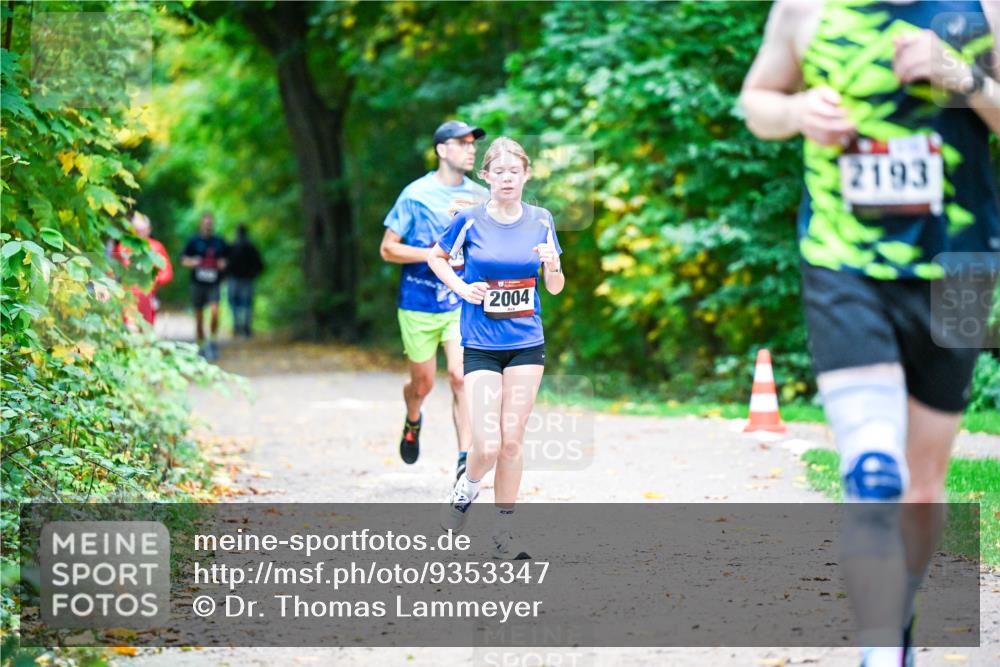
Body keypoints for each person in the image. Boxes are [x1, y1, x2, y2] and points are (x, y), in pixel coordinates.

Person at [741, 2, 998, 665]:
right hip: (843, 256)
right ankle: (880, 646)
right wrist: (797, 113)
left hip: (964, 263)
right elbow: (758, 101)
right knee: (874, 466)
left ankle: (898, 617)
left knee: (922, 481)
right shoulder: (804, 8)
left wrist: (963, 79)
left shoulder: (981, 7)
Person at [429, 137, 565, 560]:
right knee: (485, 445)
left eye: (515, 172)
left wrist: (553, 264)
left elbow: (556, 287)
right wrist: (461, 287)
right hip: (482, 345)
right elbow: (437, 257)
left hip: (527, 343)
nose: (507, 179)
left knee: (511, 443)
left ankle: (504, 535)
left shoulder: (542, 220)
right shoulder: (469, 219)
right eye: (499, 172)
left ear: (526, 175)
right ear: (486, 177)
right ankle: (464, 492)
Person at [379, 121, 489, 475]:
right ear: (442, 149)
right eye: (462, 143)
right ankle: (413, 419)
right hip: (419, 302)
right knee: (423, 383)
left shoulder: (479, 197)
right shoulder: (415, 195)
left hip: (462, 301)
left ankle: (463, 462)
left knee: (461, 376)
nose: (471, 149)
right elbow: (388, 249)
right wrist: (430, 254)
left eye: (473, 144)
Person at [110, 212, 173, 325]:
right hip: (128, 296)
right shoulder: (123, 246)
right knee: (130, 328)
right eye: (136, 230)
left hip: (148, 296)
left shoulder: (157, 247)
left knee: (147, 330)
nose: (139, 233)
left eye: (142, 230)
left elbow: (167, 272)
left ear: (149, 229)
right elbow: (111, 269)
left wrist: (155, 279)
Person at [181, 212, 228, 360]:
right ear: (201, 224)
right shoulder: (193, 241)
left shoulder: (219, 241)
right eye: (205, 224)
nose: (208, 227)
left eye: (210, 224)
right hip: (198, 283)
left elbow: (227, 259)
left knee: (215, 311)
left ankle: (212, 340)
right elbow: (183, 260)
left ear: (212, 225)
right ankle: (201, 345)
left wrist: (223, 264)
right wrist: (193, 262)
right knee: (199, 316)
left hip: (214, 283)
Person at [226, 224, 264, 338]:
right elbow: (260, 264)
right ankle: (246, 328)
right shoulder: (251, 246)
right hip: (247, 279)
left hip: (234, 279)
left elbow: (225, 263)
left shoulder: (231, 245)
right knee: (247, 304)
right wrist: (253, 274)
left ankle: (237, 326)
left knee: (234, 303)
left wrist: (226, 275)